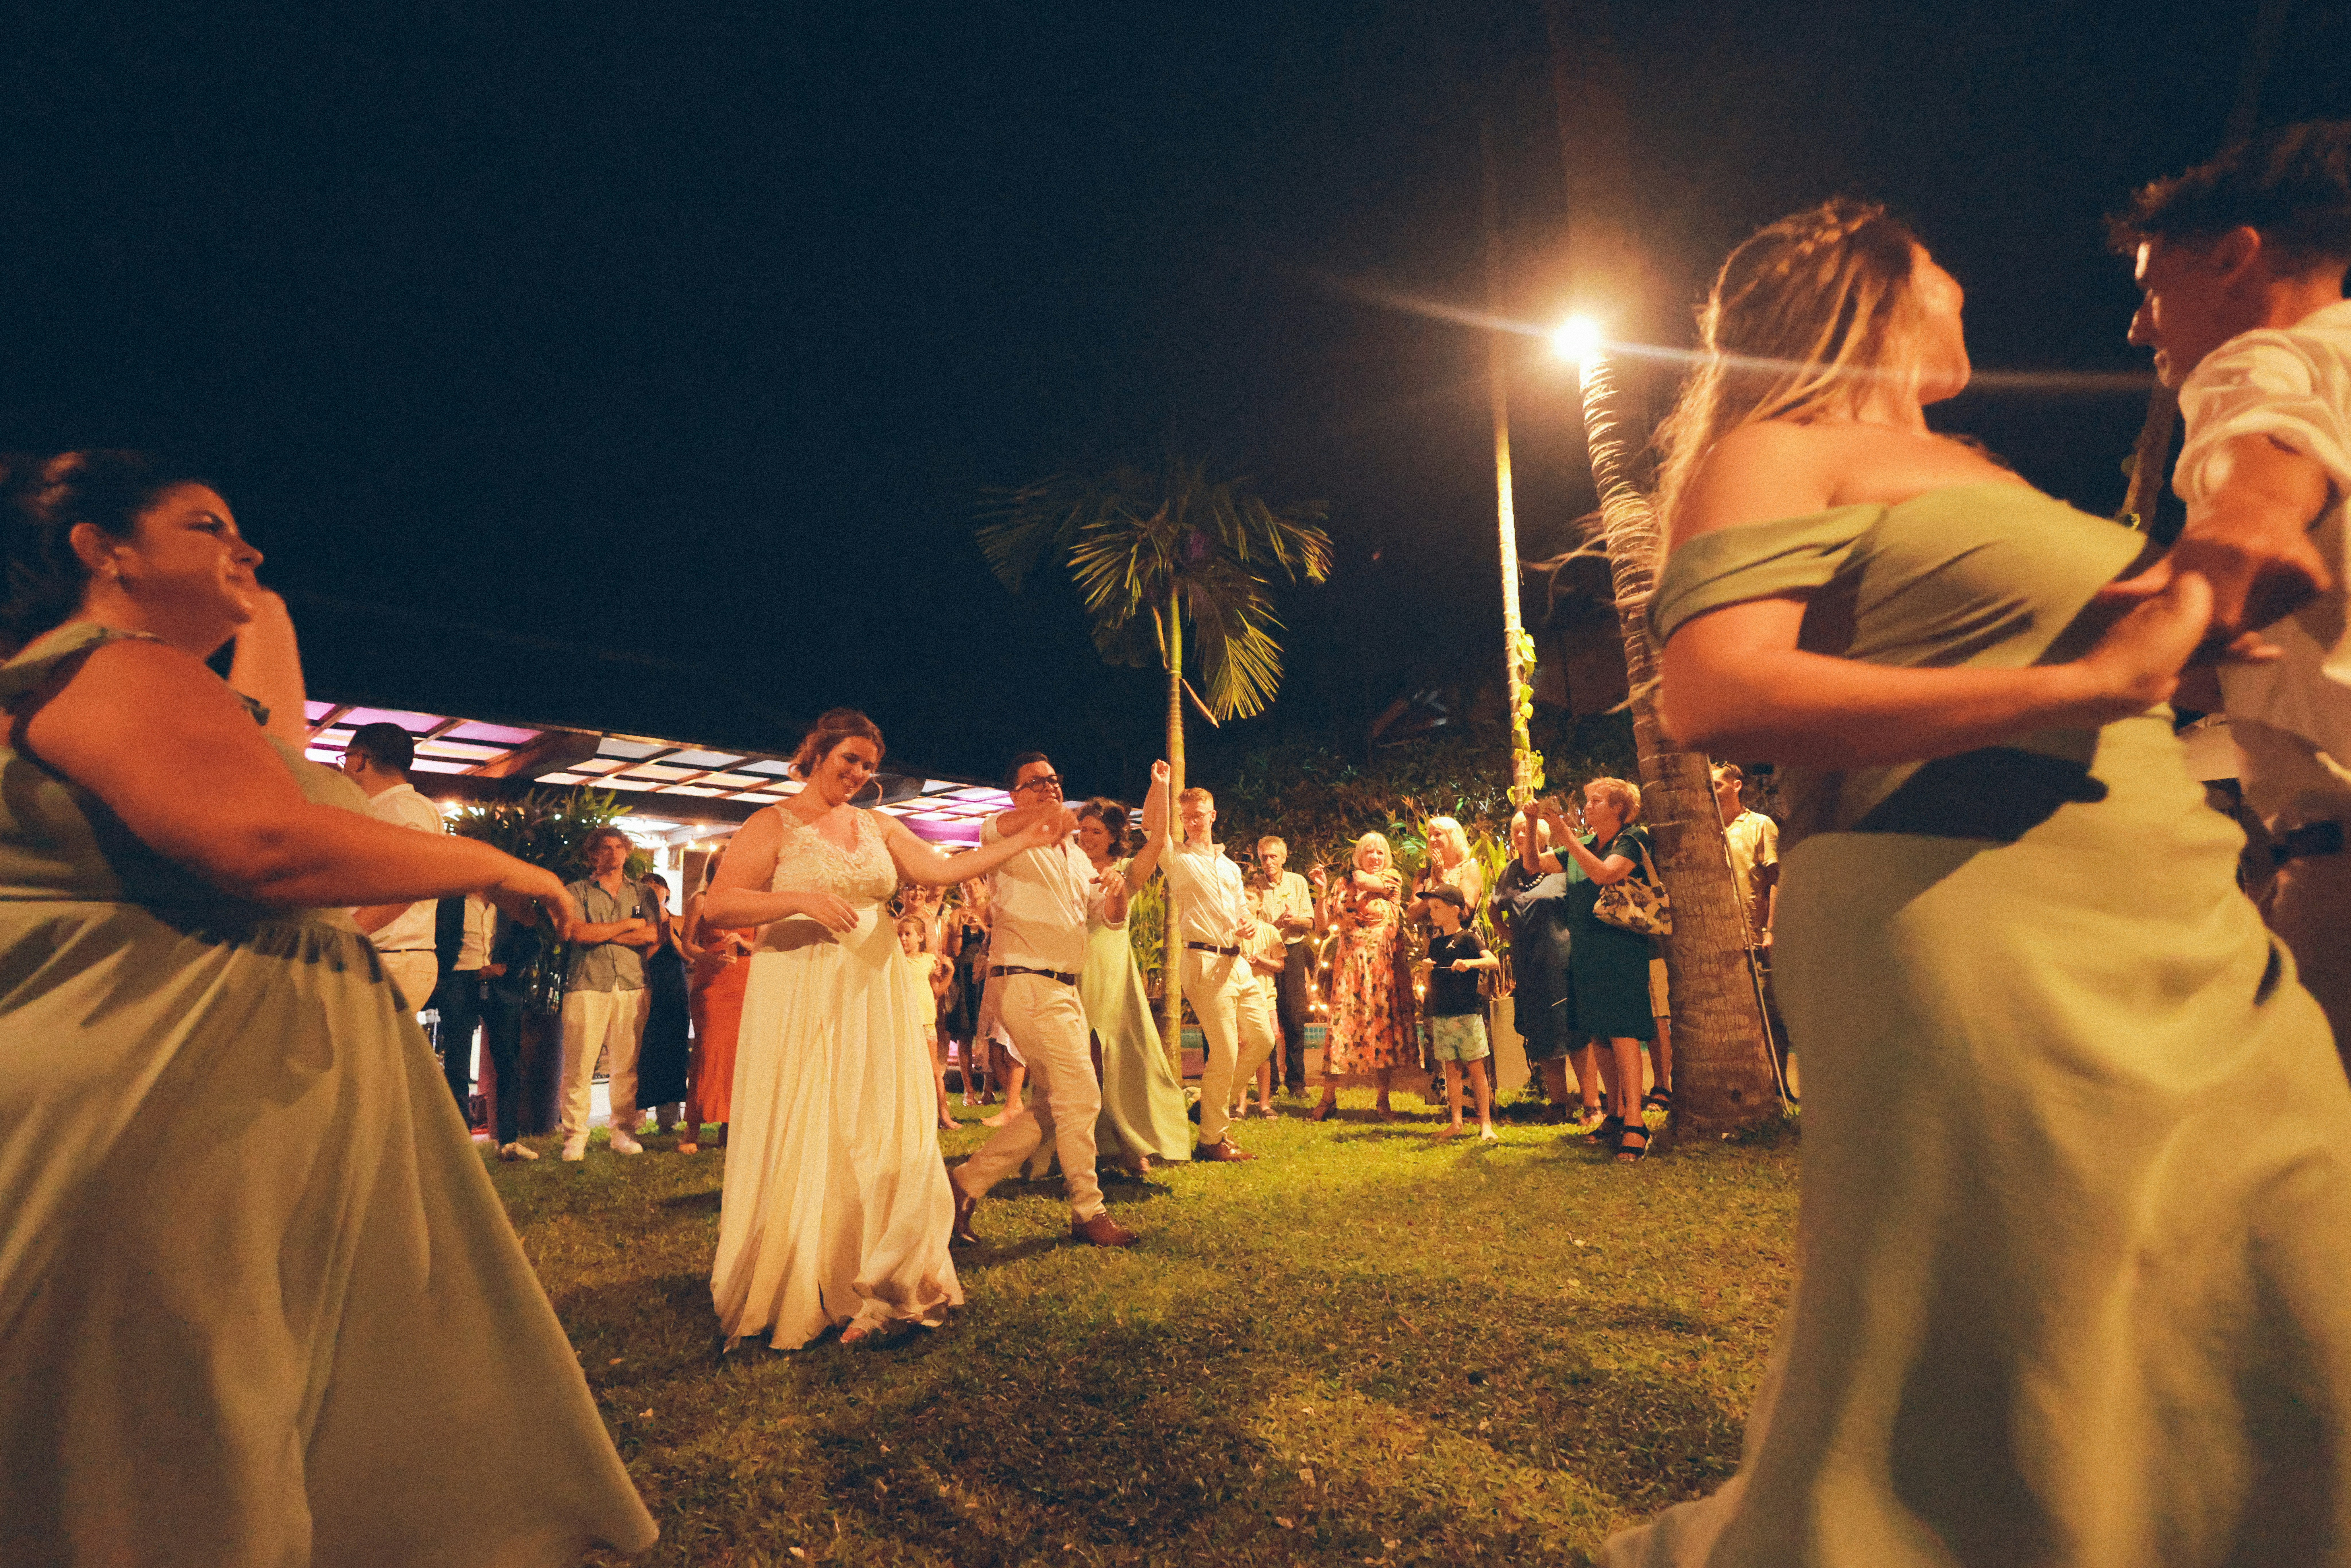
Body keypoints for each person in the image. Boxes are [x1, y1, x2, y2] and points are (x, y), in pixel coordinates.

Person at [1601, 199, 2351, 1565]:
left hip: (2175, 906)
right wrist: (2077, 681)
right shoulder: (1780, 446)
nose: (1967, 287)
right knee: (2034, 1317)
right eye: (1944, 264)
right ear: (1865, 283)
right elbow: (1715, 689)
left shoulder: (1980, 467)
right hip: (1963, 911)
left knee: (2288, 1253)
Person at [0, 450, 654, 1558]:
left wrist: (267, 609)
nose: (243, 547)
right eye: (207, 524)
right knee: (186, 1398)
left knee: (223, 1384)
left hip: (205, 1092)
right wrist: (501, 869)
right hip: (166, 1102)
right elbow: (259, 836)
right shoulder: (116, 666)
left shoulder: (161, 688)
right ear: (102, 549)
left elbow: (270, 759)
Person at [707, 712, 1068, 1347]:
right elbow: (720, 904)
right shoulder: (774, 823)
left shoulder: (877, 824)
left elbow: (940, 871)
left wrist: (1024, 842)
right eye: (848, 759)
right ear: (817, 751)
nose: (857, 773)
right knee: (812, 1116)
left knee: (877, 1121)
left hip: (874, 989)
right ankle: (807, 1269)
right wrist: (799, 899)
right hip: (801, 985)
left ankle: (883, 1267)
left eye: (868, 765)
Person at [2111, 120, 2351, 1061]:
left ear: (2234, 259)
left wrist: (2125, 653)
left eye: (2149, 291)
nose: (2140, 327)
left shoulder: (2265, 359)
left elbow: (2259, 527)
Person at [951, 751, 1141, 1247]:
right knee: (1081, 1096)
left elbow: (1107, 915)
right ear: (1014, 793)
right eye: (1035, 782)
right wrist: (1045, 817)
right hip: (1028, 981)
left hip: (1065, 986)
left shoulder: (1074, 853)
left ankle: (964, 1184)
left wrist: (1118, 890)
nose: (1048, 788)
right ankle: (1087, 1208)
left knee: (1056, 1103)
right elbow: (997, 825)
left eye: (1054, 780)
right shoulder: (1005, 832)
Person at [1143, 771, 1281, 1161]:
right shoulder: (1178, 858)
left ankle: (1206, 1103)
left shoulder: (1229, 866)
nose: (1193, 821)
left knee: (1263, 1040)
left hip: (1237, 962)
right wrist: (1161, 786)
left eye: (1199, 815)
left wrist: (1250, 922)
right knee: (1224, 1052)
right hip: (1203, 961)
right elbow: (1152, 826)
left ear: (1213, 816)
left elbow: (1241, 908)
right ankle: (1211, 1140)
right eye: (1187, 816)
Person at [1071, 794, 1191, 1175]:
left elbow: (1156, 841)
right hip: (1072, 970)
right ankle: (1082, 1148)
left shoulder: (1126, 871)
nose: (1086, 837)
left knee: (1117, 1059)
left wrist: (1160, 786)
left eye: (1095, 831)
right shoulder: (1068, 866)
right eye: (1082, 830)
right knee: (1079, 1062)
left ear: (1111, 837)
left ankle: (1129, 1142)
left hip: (1112, 972)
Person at [1544, 781, 1658, 1161]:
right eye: (1588, 800)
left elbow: (1606, 875)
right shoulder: (1584, 845)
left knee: (1624, 1031)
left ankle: (1636, 1122)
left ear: (1619, 809)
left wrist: (1565, 834)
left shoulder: (1632, 838)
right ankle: (1614, 1112)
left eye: (1597, 802)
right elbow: (1533, 865)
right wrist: (1534, 827)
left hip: (1621, 947)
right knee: (1599, 1033)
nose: (1588, 807)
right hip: (1586, 950)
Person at [556, 824, 659, 1160]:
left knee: (626, 1064)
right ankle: (575, 1136)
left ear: (627, 851)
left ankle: (623, 1132)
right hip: (588, 982)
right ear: (594, 854)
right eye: (606, 848)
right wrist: (629, 926)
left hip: (632, 982)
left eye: (619, 847)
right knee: (579, 1063)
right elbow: (579, 935)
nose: (613, 853)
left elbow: (651, 936)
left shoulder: (643, 893)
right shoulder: (577, 890)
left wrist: (605, 933)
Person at [1310, 830, 1416, 1121]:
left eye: (1380, 852)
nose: (1375, 857)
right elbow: (1322, 926)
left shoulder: (1391, 879)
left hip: (1382, 967)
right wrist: (1321, 893)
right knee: (1341, 1028)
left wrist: (1357, 873)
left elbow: (1363, 882)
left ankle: (1383, 1101)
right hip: (1349, 967)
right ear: (1358, 855)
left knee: (1382, 1029)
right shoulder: (1340, 885)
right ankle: (1328, 1098)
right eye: (1369, 852)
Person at [340, 719, 446, 1010]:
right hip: (389, 956)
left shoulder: (401, 809)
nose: (343, 767)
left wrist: (348, 932)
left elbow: (416, 880)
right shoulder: (396, 808)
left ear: (361, 759)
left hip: (393, 958)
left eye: (345, 758)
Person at [1492, 806, 1580, 1121]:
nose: (1520, 835)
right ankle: (1558, 1103)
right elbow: (1493, 907)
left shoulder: (1558, 865)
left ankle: (1592, 1103)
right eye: (1515, 830)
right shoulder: (1509, 872)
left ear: (1541, 837)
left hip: (1561, 959)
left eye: (1525, 830)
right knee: (1542, 1030)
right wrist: (1505, 934)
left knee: (1572, 1029)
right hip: (1527, 963)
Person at [1421, 886, 1499, 1142]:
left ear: (1455, 911)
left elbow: (1493, 962)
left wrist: (1471, 964)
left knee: (1476, 1068)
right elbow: (1430, 984)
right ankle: (1456, 1122)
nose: (1432, 914)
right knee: (1451, 1069)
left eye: (1437, 909)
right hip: (1443, 1014)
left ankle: (1486, 1123)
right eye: (1431, 909)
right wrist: (1425, 971)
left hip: (1467, 1013)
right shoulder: (1436, 943)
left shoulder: (1468, 938)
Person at [1249, 835, 1318, 1098]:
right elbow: (1253, 923)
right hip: (1265, 953)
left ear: (1284, 857)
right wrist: (1276, 925)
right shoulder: (1254, 886)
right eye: (1264, 857)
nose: (1268, 862)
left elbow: (1309, 923)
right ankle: (1271, 1084)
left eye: (1273, 856)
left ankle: (1297, 1082)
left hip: (1292, 951)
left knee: (1294, 1017)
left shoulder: (1297, 882)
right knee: (1266, 1016)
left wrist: (1293, 920)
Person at [481, 901, 544, 1159]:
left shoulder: (510, 907)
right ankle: (457, 1142)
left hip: (503, 989)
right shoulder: (456, 899)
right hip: (462, 981)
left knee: (508, 1066)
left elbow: (534, 943)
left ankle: (508, 1141)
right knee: (457, 1064)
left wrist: (510, 968)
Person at [430, 889, 497, 1125]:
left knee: (504, 1050)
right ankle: (459, 1120)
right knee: (458, 1053)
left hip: (495, 976)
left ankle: (500, 1121)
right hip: (460, 977)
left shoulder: (501, 901)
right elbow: (442, 937)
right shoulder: (454, 901)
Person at [637, 869, 694, 1141]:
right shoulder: (637, 922)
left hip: (675, 990)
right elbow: (646, 955)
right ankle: (635, 1116)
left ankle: (669, 1118)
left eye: (657, 889)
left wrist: (670, 935)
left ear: (667, 893)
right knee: (646, 1051)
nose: (653, 894)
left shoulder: (679, 922)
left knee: (674, 1051)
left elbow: (690, 957)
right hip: (649, 989)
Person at [896, 912, 958, 1131]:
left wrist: (949, 973)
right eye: (900, 935)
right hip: (903, 1024)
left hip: (925, 1024)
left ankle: (944, 1115)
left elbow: (937, 992)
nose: (903, 939)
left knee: (934, 1071)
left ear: (921, 937)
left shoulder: (929, 962)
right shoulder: (896, 963)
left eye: (908, 934)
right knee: (904, 1070)